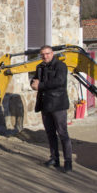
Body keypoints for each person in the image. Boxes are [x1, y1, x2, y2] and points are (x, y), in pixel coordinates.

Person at [30, 45, 73, 173]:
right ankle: (54, 158)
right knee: (50, 134)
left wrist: (40, 85)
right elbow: (35, 80)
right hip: (45, 105)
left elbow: (59, 82)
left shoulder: (60, 66)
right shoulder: (40, 67)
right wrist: (32, 84)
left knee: (63, 133)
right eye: (42, 54)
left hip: (58, 104)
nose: (45, 56)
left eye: (47, 53)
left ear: (52, 53)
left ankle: (68, 162)